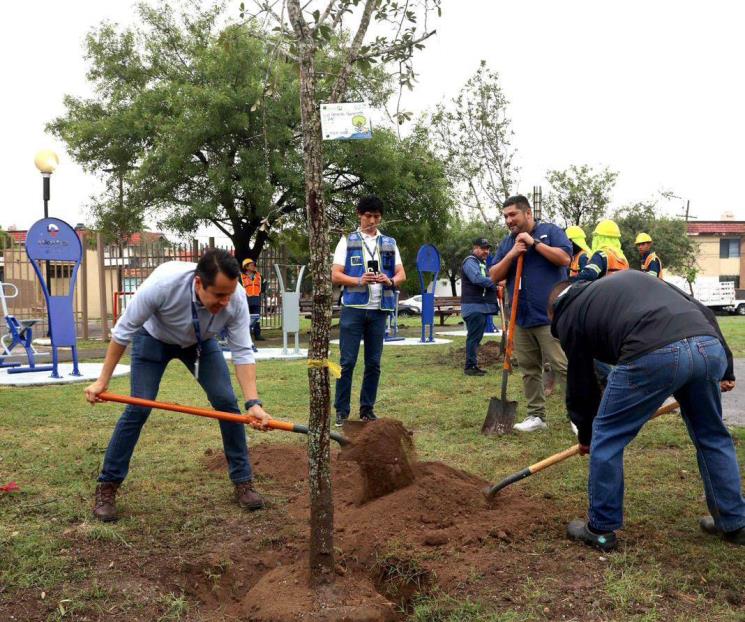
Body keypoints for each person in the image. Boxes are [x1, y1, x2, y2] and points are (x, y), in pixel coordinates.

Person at [549, 271, 744, 551]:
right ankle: (734, 522)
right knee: (712, 435)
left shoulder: (568, 313)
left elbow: (581, 384)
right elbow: (701, 310)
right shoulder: (628, 283)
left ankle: (601, 529)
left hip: (653, 352)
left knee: (607, 436)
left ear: (554, 310)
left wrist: (587, 434)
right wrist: (725, 365)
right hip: (706, 345)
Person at [85, 249, 271, 522]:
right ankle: (107, 486)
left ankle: (243, 482)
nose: (226, 301)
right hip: (153, 338)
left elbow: (242, 351)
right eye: (219, 295)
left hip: (201, 343)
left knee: (227, 404)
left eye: (229, 293)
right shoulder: (162, 285)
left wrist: (253, 403)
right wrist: (103, 381)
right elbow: (123, 332)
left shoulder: (236, 299)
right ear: (198, 284)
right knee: (138, 409)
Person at [490, 194, 572, 432]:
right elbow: (494, 275)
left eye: (512, 214)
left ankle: (577, 415)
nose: (508, 220)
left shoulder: (550, 232)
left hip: (550, 316)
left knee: (562, 365)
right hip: (521, 316)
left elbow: (564, 258)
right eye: (505, 216)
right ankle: (537, 416)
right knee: (528, 368)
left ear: (528, 213)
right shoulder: (508, 243)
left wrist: (534, 244)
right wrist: (513, 253)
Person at [331, 195, 406, 427]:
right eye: (367, 216)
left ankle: (367, 410)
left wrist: (390, 280)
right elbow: (335, 274)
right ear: (359, 215)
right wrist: (358, 280)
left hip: (379, 309)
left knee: (373, 362)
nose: (372, 220)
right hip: (353, 307)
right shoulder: (347, 240)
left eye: (376, 216)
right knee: (347, 361)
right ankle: (342, 411)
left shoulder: (389, 243)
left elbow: (401, 275)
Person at [461, 238, 499, 376]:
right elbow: (476, 279)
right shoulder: (470, 262)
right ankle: (469, 367)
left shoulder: (480, 263)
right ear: (475, 248)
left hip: (480, 307)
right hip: (473, 307)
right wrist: (496, 283)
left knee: (476, 337)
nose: (486, 252)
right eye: (483, 248)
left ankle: (473, 365)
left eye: (488, 249)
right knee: (473, 338)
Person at [241, 258, 264, 351]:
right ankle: (247, 336)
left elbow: (263, 286)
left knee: (257, 318)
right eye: (251, 265)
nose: (254, 266)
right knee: (247, 318)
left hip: (257, 299)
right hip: (246, 299)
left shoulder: (259, 276)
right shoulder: (241, 277)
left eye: (254, 265)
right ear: (246, 267)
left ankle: (257, 335)